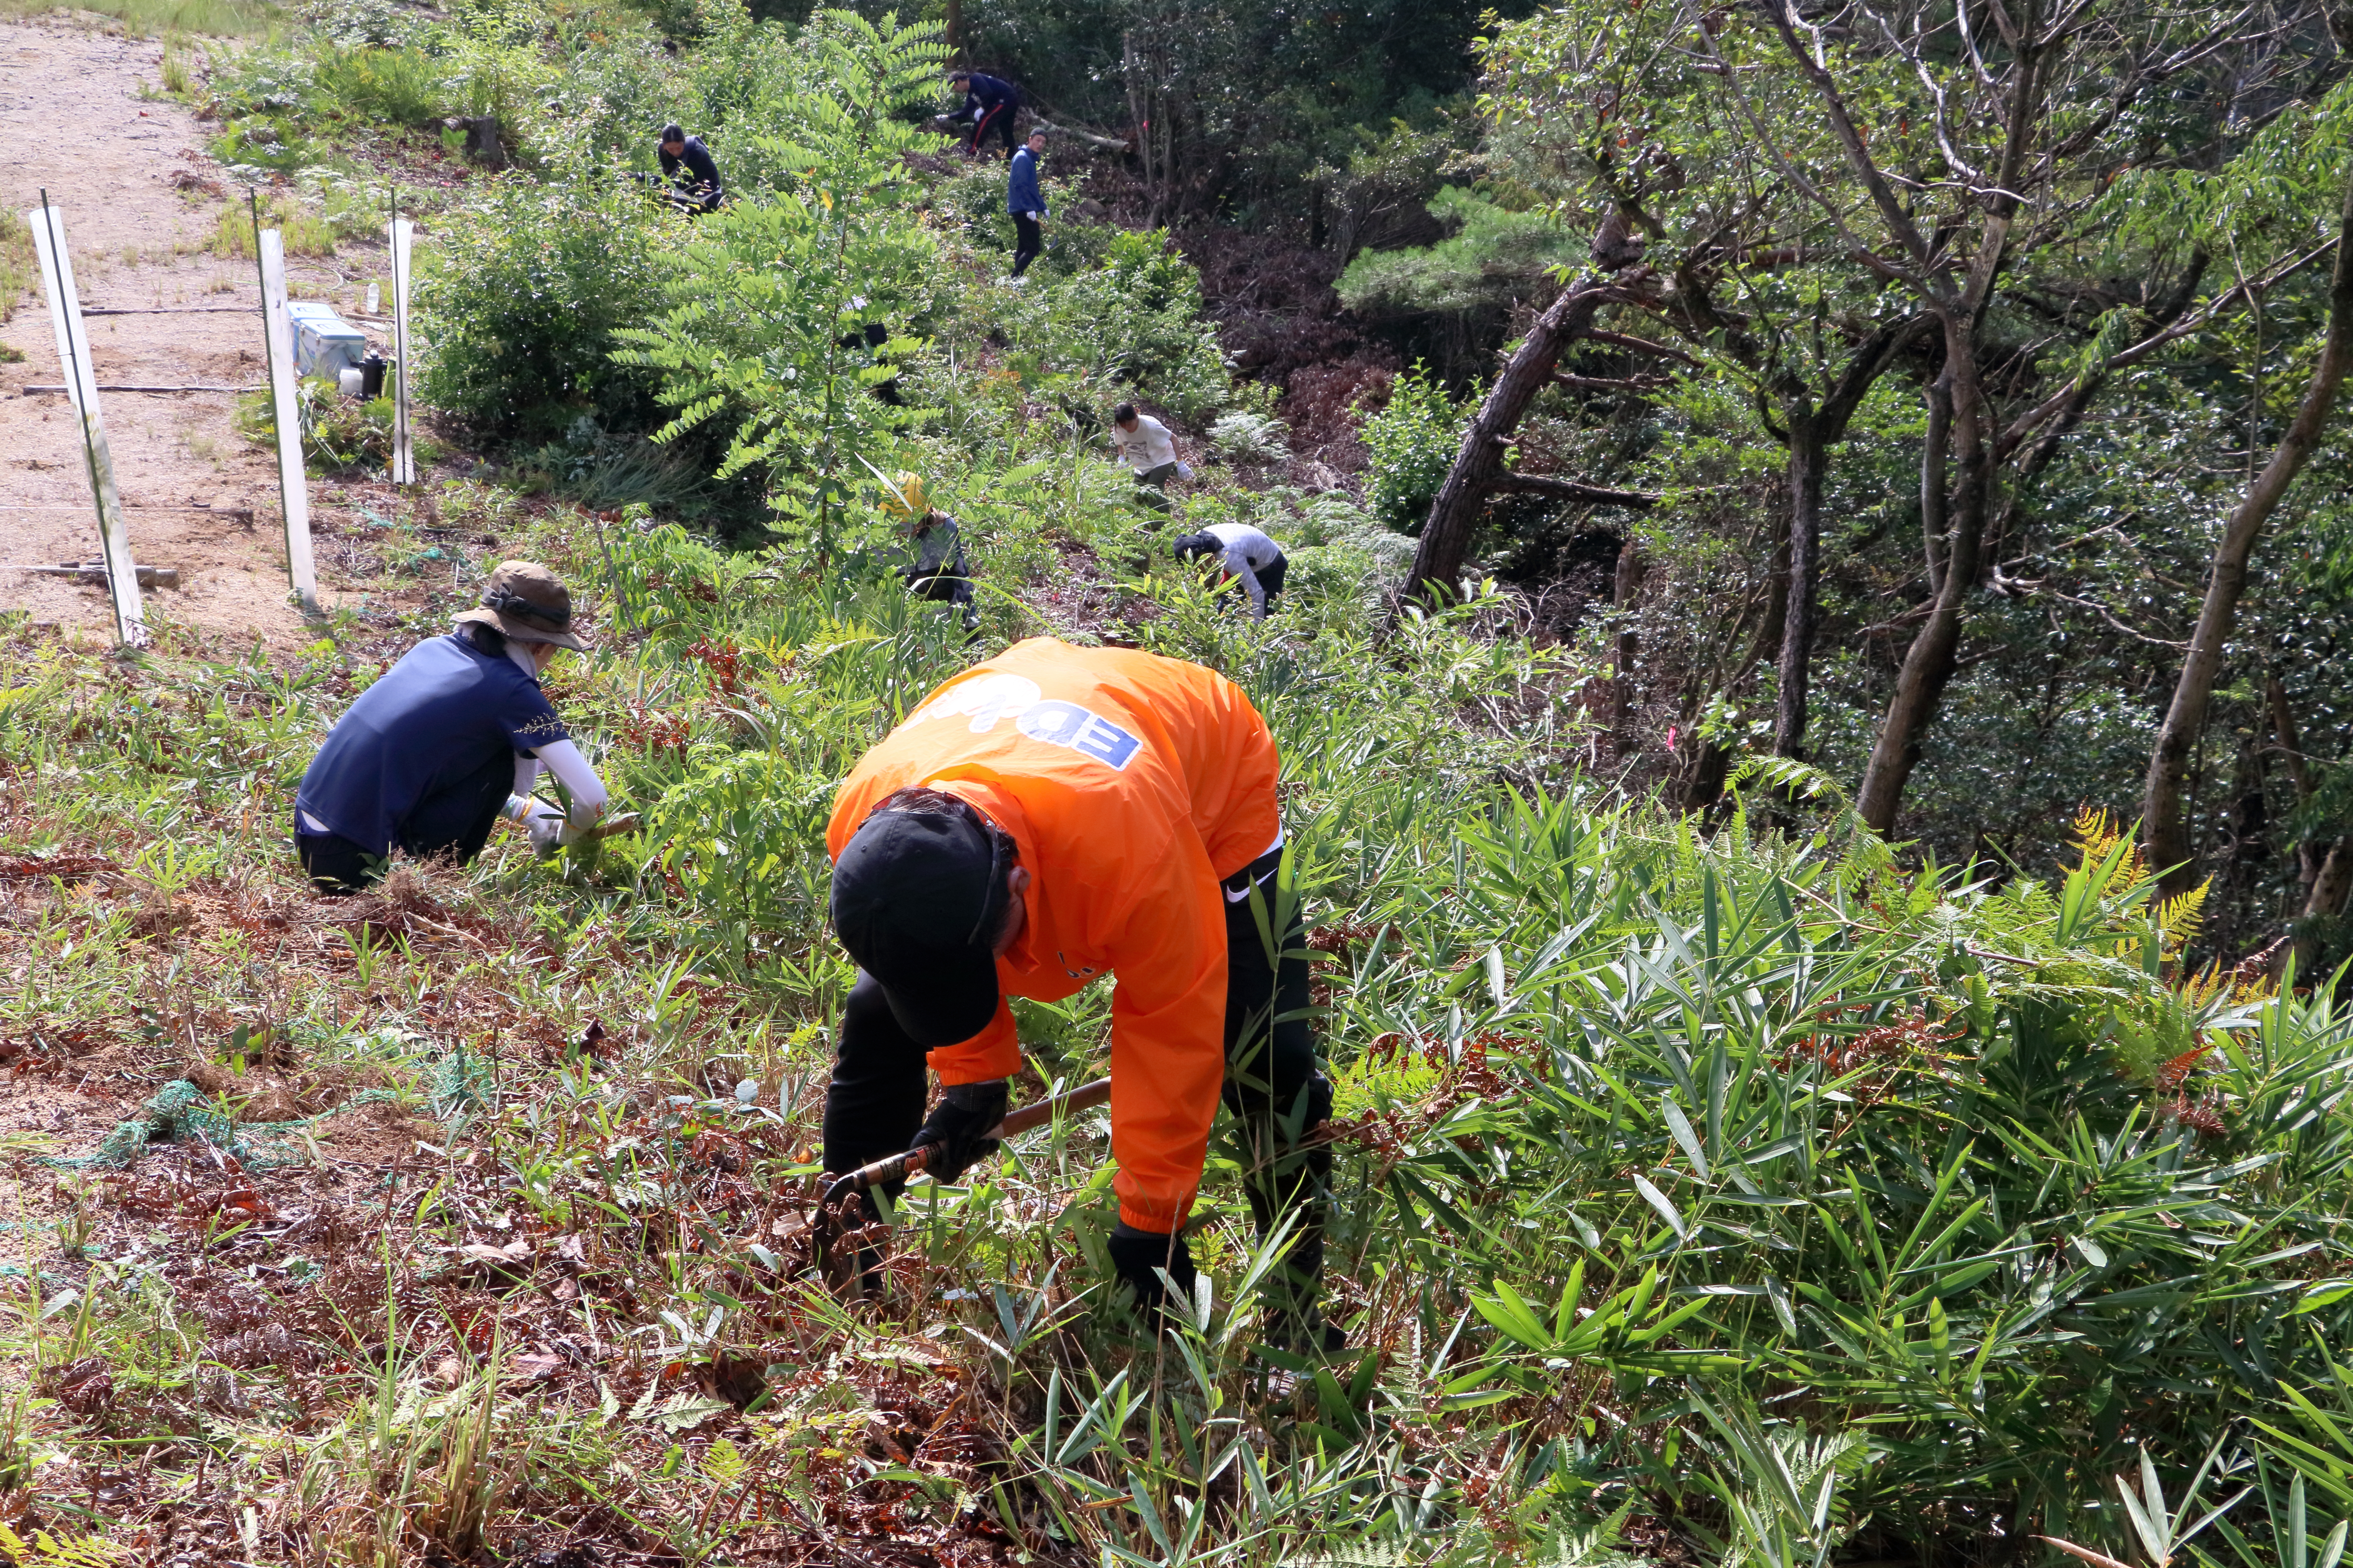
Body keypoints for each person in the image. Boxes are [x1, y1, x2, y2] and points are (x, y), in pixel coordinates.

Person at [822, 639, 1338, 1352]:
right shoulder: (868, 822)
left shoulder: (1133, 853)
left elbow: (1171, 1026)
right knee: (876, 1015)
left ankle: (1296, 1313)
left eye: (987, 952)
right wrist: (972, 1080)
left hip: (1205, 767)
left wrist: (1150, 1223)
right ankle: (850, 1265)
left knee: (1263, 1054)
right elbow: (929, 962)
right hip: (1036, 728)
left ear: (1016, 881)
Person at [293, 562, 611, 894]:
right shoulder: (513, 692)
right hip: (355, 865)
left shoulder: (431, 649)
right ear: (539, 645)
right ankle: (428, 881)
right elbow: (592, 798)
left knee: (475, 745)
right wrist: (569, 840)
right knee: (501, 756)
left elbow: (430, 763)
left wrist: (529, 812)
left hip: (312, 837)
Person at [883, 472, 980, 633]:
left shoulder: (945, 527)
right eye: (901, 527)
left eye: (915, 524)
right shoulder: (875, 541)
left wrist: (971, 629)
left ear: (926, 514)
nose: (909, 533)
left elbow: (962, 581)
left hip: (942, 628)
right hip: (898, 630)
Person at [1174, 522, 1288, 618]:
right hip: (1246, 555)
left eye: (1196, 566)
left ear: (1204, 555)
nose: (1195, 571)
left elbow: (1256, 593)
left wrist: (1256, 629)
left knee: (1268, 613)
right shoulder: (1201, 538)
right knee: (1224, 608)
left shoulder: (1231, 557)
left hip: (1271, 566)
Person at [1110, 403, 1183, 513]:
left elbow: (1174, 438)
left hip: (1163, 459)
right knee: (1137, 495)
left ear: (1136, 416)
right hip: (1142, 464)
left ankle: (1161, 525)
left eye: (1129, 424)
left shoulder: (1151, 426)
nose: (1127, 428)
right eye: (1123, 425)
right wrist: (1122, 457)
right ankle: (1139, 525)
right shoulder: (1119, 428)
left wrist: (1181, 463)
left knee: (1152, 490)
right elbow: (1120, 443)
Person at [947, 69, 1021, 160]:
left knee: (985, 120)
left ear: (959, 82)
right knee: (1006, 131)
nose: (955, 91)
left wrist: (982, 108)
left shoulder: (976, 78)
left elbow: (988, 94)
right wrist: (948, 117)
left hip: (1006, 99)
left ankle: (974, 150)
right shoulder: (972, 94)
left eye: (954, 87)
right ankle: (1008, 159)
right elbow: (965, 112)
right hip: (1008, 101)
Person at [1007, 129, 1047, 280]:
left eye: (1043, 142)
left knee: (1024, 246)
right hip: (1021, 209)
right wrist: (1029, 209)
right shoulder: (1023, 158)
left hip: (1025, 208)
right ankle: (1014, 277)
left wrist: (1042, 206)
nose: (1040, 144)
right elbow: (1020, 186)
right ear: (1030, 139)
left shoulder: (1030, 158)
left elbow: (1032, 188)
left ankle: (1016, 278)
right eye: (1038, 140)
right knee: (1033, 248)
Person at [657, 124, 725, 212]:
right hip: (683, 193)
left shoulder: (697, 151)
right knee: (681, 225)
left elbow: (680, 179)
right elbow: (668, 176)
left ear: (683, 142)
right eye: (671, 149)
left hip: (709, 194)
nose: (676, 152)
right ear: (665, 146)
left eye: (678, 147)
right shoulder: (662, 150)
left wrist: (646, 177)